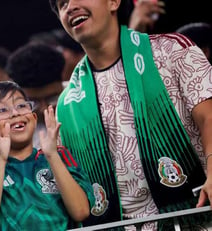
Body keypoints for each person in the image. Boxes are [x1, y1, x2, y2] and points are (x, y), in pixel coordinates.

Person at [49, 0, 212, 230]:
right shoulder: (66, 104)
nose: (71, 6)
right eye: (62, 4)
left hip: (198, 218)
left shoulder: (171, 50)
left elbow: (209, 117)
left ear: (114, 2)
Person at [0, 81, 94, 230]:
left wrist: (52, 155)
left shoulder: (59, 155)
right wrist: (0, 158)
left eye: (22, 106)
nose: (15, 113)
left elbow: (81, 212)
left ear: (34, 118)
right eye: (2, 110)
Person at [6, 42, 65, 149]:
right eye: (33, 102)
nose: (44, 109)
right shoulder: (6, 137)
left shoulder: (84, 102)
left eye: (52, 98)